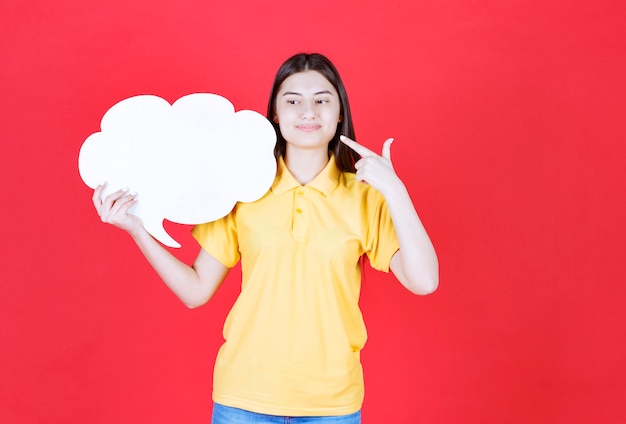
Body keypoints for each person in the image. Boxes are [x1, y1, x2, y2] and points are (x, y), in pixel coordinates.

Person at [92, 52, 438, 423]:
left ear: (340, 113)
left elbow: (424, 281)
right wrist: (136, 228)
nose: (308, 112)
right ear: (275, 113)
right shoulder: (243, 189)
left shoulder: (366, 197)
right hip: (243, 400)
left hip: (332, 405)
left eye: (322, 100)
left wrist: (396, 191)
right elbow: (195, 292)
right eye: (293, 101)